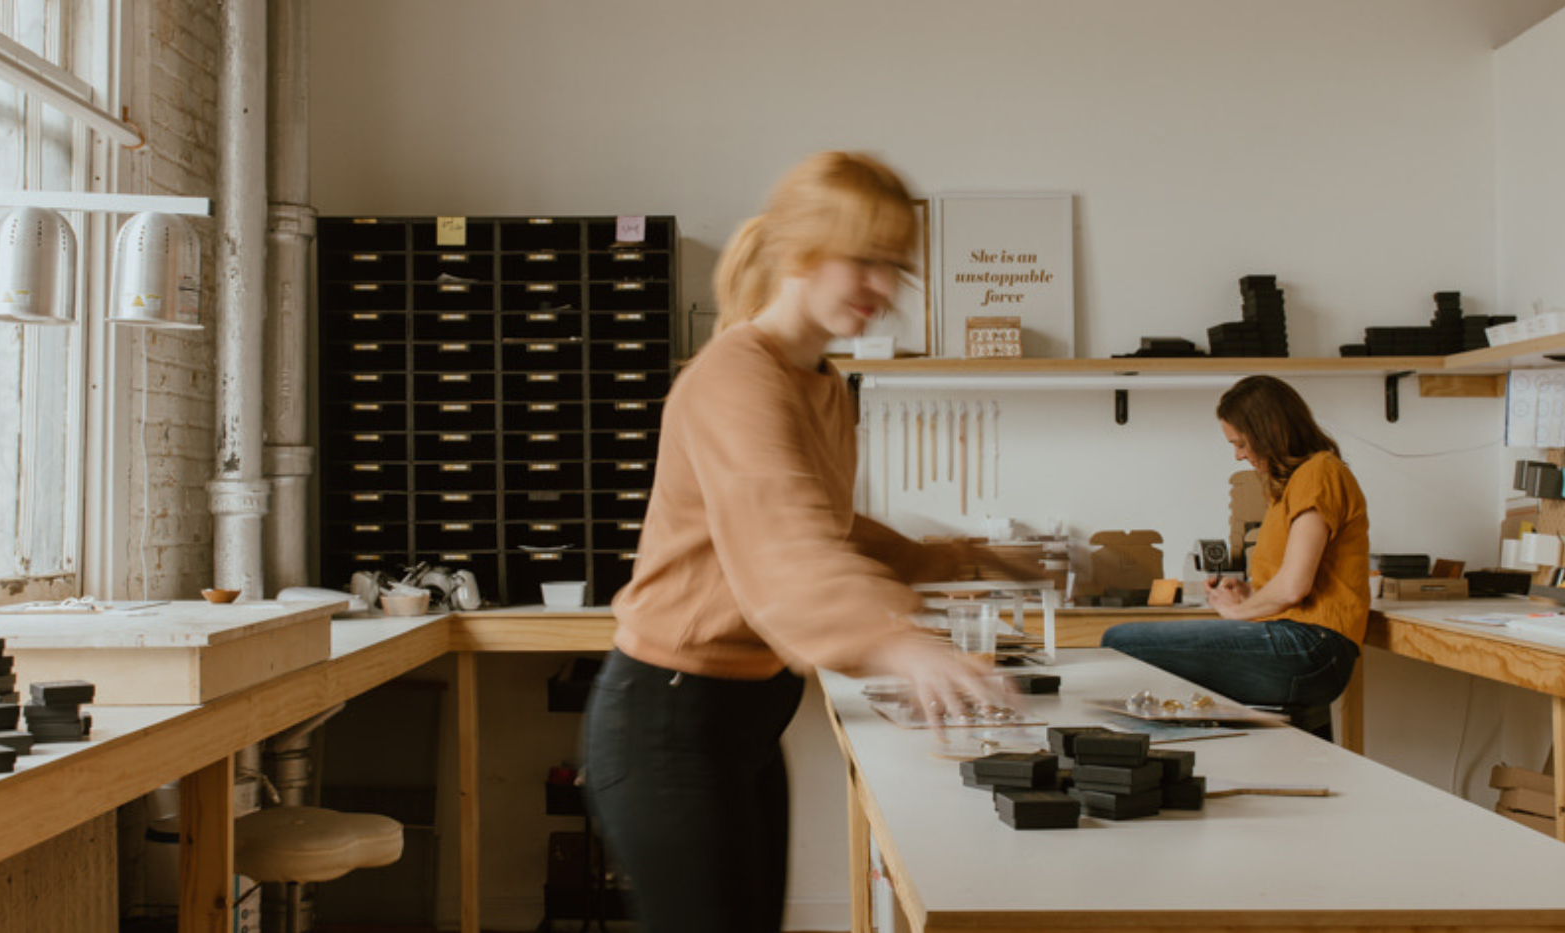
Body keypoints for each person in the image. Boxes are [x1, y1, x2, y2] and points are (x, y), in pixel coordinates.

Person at [583, 151, 1019, 933]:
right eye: (865, 260)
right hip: (668, 721)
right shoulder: (734, 378)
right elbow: (783, 546)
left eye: (894, 266)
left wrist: (963, 560)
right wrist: (899, 642)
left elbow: (831, 526)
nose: (884, 288)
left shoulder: (821, 383)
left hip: (741, 717)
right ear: (800, 251)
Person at [1101, 375, 1369, 736]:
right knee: (1131, 662)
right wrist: (1251, 594)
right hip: (1305, 643)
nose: (1239, 455)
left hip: (1312, 651)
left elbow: (1294, 587)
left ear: (1270, 432)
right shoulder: (1294, 484)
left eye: (1241, 443)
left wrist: (1238, 613)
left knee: (1120, 644)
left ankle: (1171, 762)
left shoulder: (1319, 473)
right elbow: (1294, 585)